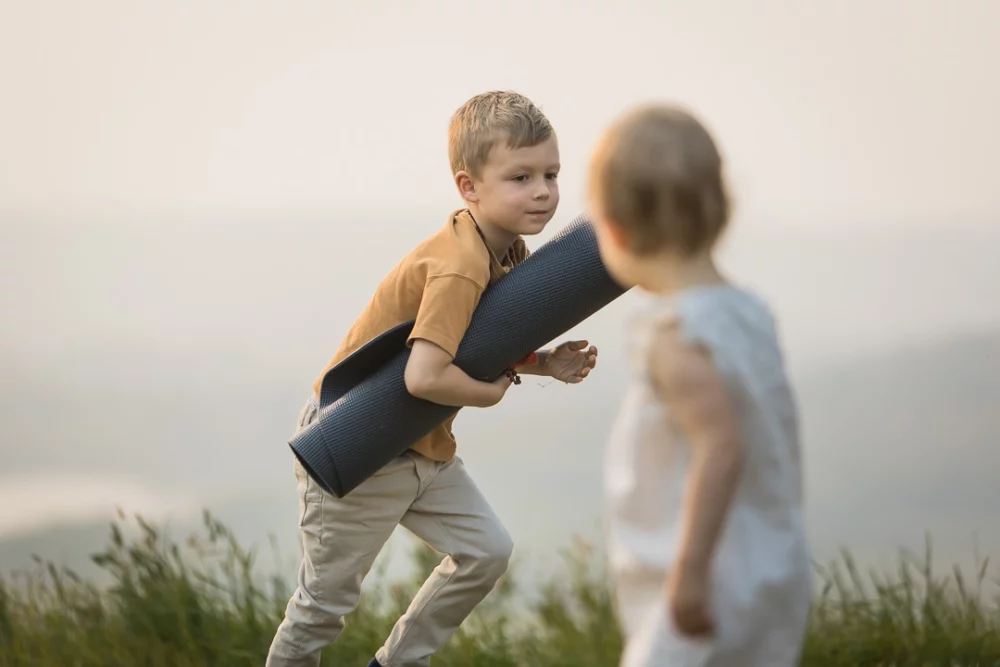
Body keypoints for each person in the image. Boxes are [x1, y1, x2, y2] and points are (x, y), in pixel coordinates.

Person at [266, 90, 599, 667]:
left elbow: (470, 341)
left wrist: (544, 363)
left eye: (551, 173)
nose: (543, 191)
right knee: (324, 605)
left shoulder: (502, 249)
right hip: (358, 446)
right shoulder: (459, 265)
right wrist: (489, 397)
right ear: (469, 187)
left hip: (419, 445)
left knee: (485, 551)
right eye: (520, 177)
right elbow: (425, 376)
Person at [587, 103, 812, 666]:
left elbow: (722, 447)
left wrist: (688, 578)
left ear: (614, 228)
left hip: (704, 571)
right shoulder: (745, 313)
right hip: (767, 558)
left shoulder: (674, 333)